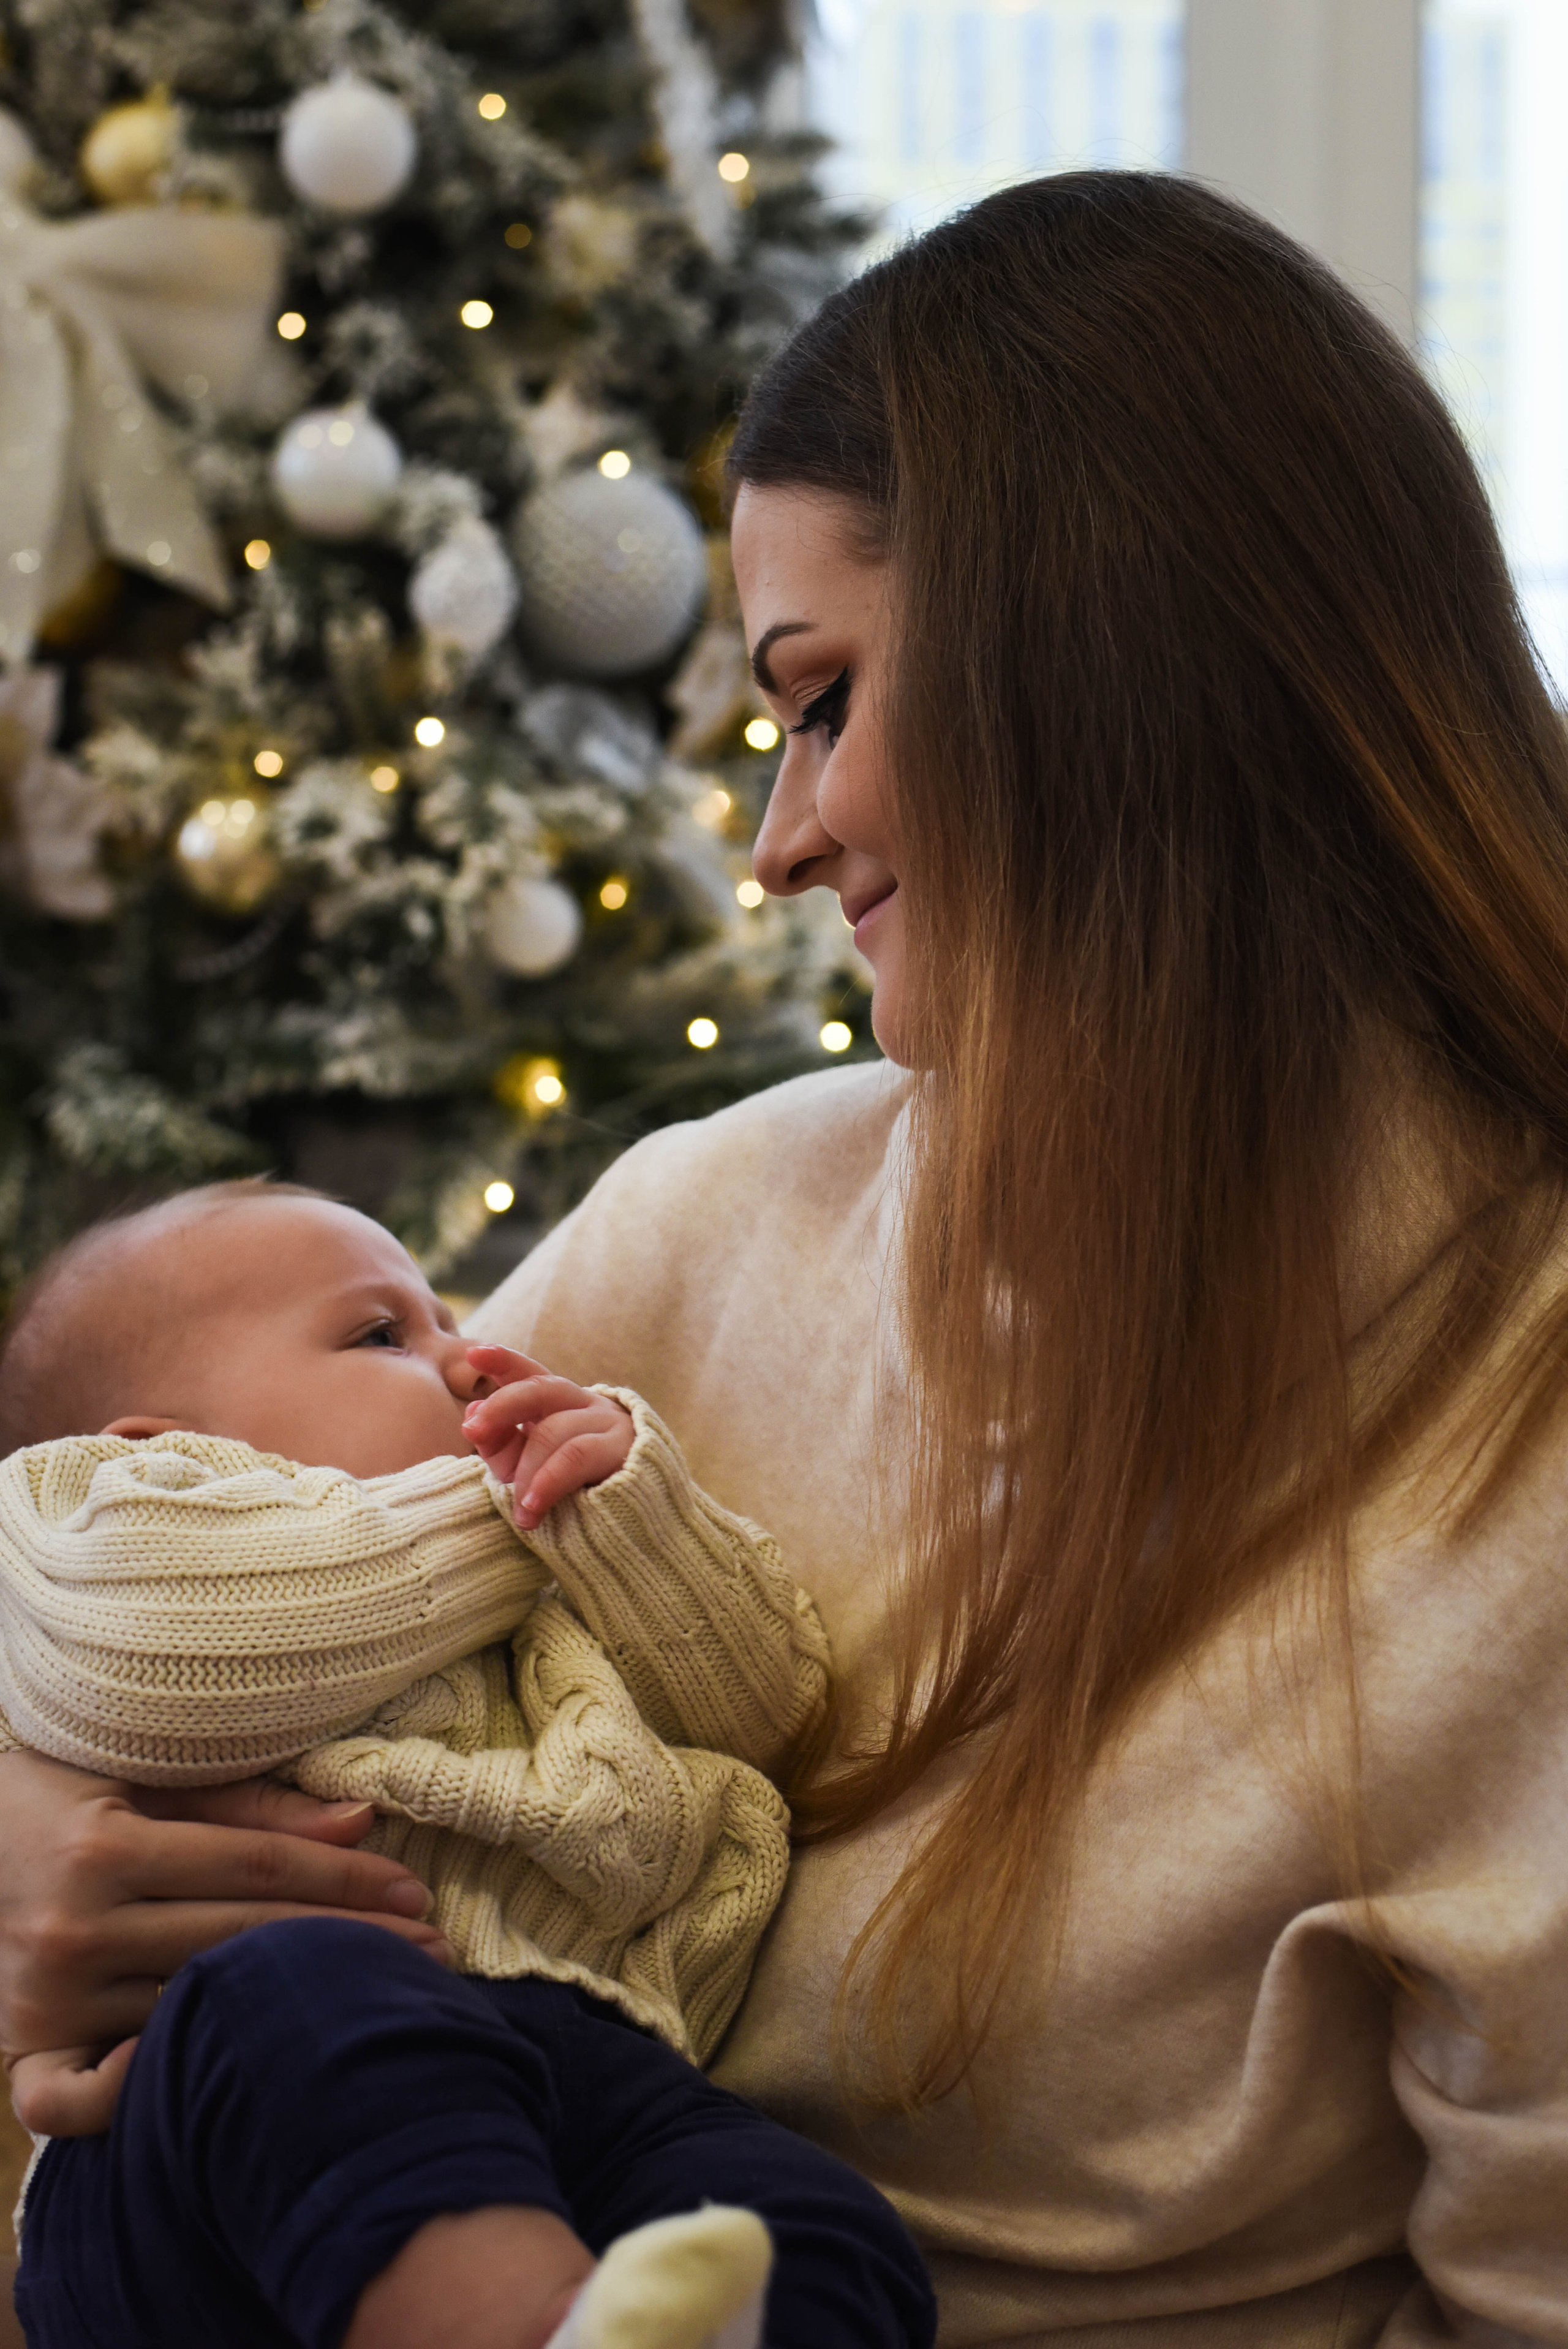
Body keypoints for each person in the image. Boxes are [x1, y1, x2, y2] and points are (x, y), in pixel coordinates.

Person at [4, 165, 1568, 2345]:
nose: (778, 834)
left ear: (1101, 659)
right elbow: (178, 1537)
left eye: (821, 699)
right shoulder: (715, 1223)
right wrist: (30, 1837)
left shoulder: (1522, 1462)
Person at [0, 1184, 932, 2349]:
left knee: (806, 2222)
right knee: (299, 1992)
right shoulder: (92, 1528)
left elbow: (771, 1716)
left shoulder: (557, 1605)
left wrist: (626, 1524)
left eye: (446, 1316)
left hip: (583, 2067)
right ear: (161, 1449)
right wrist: (503, 1519)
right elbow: (163, 1657)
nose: (472, 1355)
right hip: (225, 2108)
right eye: (383, 1334)